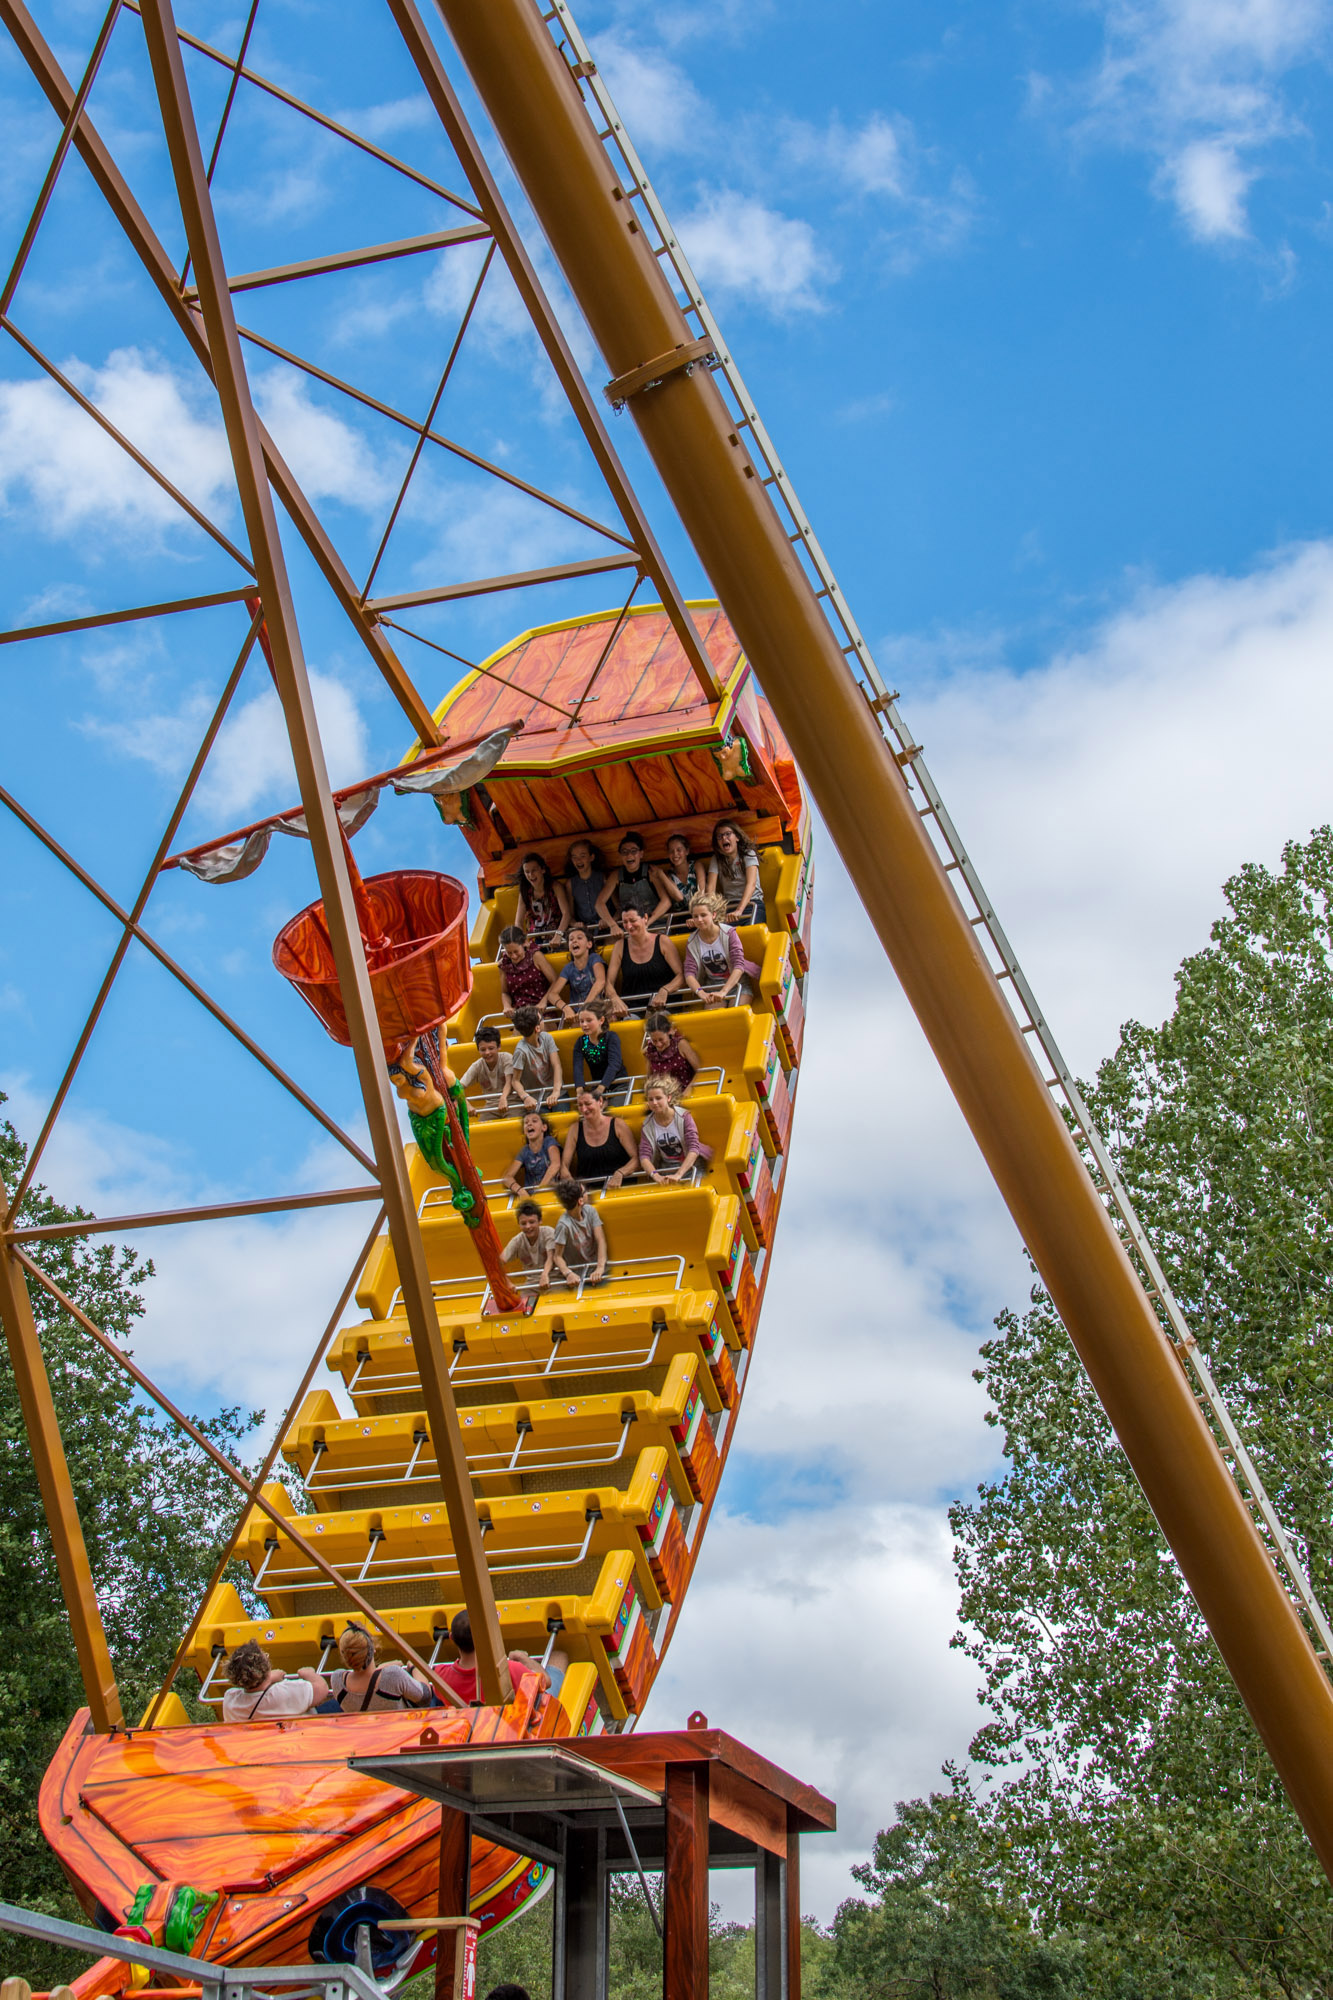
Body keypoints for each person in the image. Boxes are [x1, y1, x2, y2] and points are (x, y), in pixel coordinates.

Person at [389, 1038, 479, 1224]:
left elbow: (406, 1061)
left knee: (441, 1156)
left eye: (398, 1079)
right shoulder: (404, 1080)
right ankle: (458, 1185)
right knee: (433, 1163)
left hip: (436, 1114)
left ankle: (461, 1183)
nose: (397, 1084)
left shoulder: (419, 1072)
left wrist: (414, 1038)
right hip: (418, 1119)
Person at [436, 1608, 550, 1705]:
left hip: (473, 1726)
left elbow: (422, 1676)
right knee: (559, 1656)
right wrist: (521, 1657)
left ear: (452, 1638)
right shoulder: (510, 1669)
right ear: (486, 1635)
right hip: (509, 1724)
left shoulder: (441, 1676)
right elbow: (546, 1682)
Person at [325, 1625, 432, 1713]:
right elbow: (425, 1698)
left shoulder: (337, 1681)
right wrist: (416, 1667)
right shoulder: (392, 1675)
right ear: (373, 1649)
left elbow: (369, 1680)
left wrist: (380, 1670)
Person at [683, 892, 759, 1005]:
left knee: (737, 1014)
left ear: (713, 915)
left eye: (703, 915)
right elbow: (689, 973)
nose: (699, 920)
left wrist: (724, 991)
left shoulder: (729, 933)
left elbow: (739, 965)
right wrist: (701, 992)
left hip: (737, 984)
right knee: (716, 1019)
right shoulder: (692, 942)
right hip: (713, 986)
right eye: (695, 916)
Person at [221, 1641, 328, 1722]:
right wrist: (309, 1673)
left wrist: (269, 1678)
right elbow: (322, 1690)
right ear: (264, 1667)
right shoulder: (285, 1692)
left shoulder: (230, 1700)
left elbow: (255, 1691)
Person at [608, 905, 684, 1012]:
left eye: (633, 920)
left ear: (645, 918)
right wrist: (614, 998)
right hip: (633, 1009)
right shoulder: (620, 946)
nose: (629, 926)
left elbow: (681, 976)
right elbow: (609, 982)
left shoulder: (662, 941)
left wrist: (665, 990)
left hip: (663, 1006)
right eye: (625, 922)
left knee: (658, 1024)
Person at [561, 1083, 636, 1190]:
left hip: (619, 1188)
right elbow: (564, 1165)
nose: (584, 1109)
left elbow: (636, 1159)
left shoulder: (618, 1124)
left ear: (600, 1101)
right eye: (580, 1105)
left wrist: (620, 1173)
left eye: (587, 1104)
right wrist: (573, 1185)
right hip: (588, 1192)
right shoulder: (575, 1129)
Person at [638, 1076, 712, 1182]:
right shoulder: (647, 1125)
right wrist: (656, 1175)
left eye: (658, 1098)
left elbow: (693, 1148)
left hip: (692, 1166)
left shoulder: (684, 1116)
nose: (654, 1103)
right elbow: (644, 1156)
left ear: (668, 1098)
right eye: (650, 1099)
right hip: (667, 1168)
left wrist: (679, 1175)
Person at [594, 831, 657, 934]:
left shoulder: (651, 871)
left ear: (641, 853)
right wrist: (612, 925)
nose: (629, 855)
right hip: (628, 926)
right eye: (625, 852)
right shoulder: (616, 876)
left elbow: (666, 901)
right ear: (620, 855)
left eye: (633, 851)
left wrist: (647, 922)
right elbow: (599, 904)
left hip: (654, 924)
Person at [544, 920, 607, 1020]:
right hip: (578, 1016)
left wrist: (585, 1007)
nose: (574, 941)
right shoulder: (568, 968)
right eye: (571, 939)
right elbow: (552, 995)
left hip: (598, 1011)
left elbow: (600, 981)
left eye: (579, 938)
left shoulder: (594, 958)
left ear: (589, 944)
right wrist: (566, 1008)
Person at [462, 1024, 529, 1118]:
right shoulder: (477, 1066)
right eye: (483, 1050)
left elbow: (509, 1081)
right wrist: (467, 1105)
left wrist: (503, 1098)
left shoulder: (506, 1058)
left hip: (512, 1102)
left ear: (499, 1047)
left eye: (491, 1048)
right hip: (491, 1106)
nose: (487, 1053)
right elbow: (458, 1087)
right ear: (478, 1050)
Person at [552, 1176, 607, 1285]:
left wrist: (600, 1267)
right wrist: (568, 1274)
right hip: (578, 1274)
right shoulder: (563, 1225)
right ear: (580, 1201)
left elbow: (600, 1240)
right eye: (585, 1192)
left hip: (596, 1266)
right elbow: (557, 1256)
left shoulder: (590, 1211)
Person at [707, 819, 762, 924]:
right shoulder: (716, 859)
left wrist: (739, 910)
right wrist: (710, 911)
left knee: (750, 932)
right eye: (720, 836)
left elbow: (751, 884)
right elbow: (710, 888)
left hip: (752, 903)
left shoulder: (748, 854)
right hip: (730, 906)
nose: (724, 838)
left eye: (728, 834)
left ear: (737, 837)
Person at [498, 925, 557, 1015]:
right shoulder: (504, 965)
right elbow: (505, 992)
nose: (513, 956)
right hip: (521, 1014)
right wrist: (507, 1006)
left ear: (524, 943)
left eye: (516, 951)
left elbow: (555, 981)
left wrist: (544, 1002)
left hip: (542, 1011)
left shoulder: (536, 956)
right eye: (509, 953)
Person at [501, 1199, 558, 1289]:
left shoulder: (548, 1232)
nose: (528, 1227)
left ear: (540, 1221)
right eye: (523, 1223)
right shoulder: (517, 1241)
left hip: (555, 1279)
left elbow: (551, 1257)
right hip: (532, 1283)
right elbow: (499, 1262)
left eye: (532, 1222)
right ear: (519, 1224)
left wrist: (544, 1275)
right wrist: (507, 1282)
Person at [511, 1005, 563, 1105]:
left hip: (556, 1091)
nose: (543, 1021)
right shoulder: (521, 1051)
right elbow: (515, 1081)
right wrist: (525, 1097)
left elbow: (556, 1066)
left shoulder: (547, 1038)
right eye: (542, 1019)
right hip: (535, 1098)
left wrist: (556, 1092)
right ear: (537, 1028)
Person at [514, 851, 571, 943]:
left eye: (534, 870)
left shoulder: (556, 887)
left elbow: (566, 914)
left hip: (557, 935)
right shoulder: (524, 892)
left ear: (543, 870)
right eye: (527, 872)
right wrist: (523, 940)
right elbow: (518, 922)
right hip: (535, 937)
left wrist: (558, 935)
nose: (531, 875)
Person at [571, 999, 625, 1092]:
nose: (584, 1024)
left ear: (601, 1020)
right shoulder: (581, 1042)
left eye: (589, 1020)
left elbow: (614, 1064)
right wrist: (579, 1090)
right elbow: (577, 1067)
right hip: (596, 1085)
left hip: (619, 1085)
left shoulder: (611, 1037)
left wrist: (601, 1088)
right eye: (581, 1021)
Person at [503, 1110, 562, 1196]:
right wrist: (520, 1191)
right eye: (526, 1122)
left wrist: (540, 1190)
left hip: (551, 1193)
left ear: (544, 1127)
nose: (529, 1124)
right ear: (524, 1131)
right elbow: (507, 1178)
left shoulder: (549, 1141)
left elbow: (555, 1165)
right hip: (532, 1196)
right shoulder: (524, 1151)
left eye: (534, 1121)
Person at [649, 831, 703, 924]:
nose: (675, 854)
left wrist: (696, 917)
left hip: (700, 913)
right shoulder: (669, 876)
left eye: (679, 850)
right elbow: (679, 898)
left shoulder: (696, 865)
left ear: (687, 851)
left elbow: (701, 893)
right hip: (682, 919)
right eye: (671, 851)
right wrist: (661, 874)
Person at [643, 1009, 701, 1089]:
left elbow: (700, 1070)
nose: (658, 1044)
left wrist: (688, 1090)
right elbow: (649, 1078)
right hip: (663, 1096)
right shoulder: (650, 1050)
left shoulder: (681, 1044)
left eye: (661, 1039)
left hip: (685, 1091)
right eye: (654, 1041)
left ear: (669, 1032)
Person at [564, 838, 606, 931]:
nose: (578, 860)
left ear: (591, 857)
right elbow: (569, 915)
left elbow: (618, 907)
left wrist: (608, 920)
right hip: (585, 930)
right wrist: (575, 923)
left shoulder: (602, 878)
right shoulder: (570, 884)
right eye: (574, 857)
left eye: (582, 856)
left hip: (605, 927)